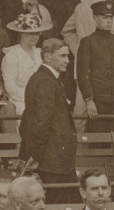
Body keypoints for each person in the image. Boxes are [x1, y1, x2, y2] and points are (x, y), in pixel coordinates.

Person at [20, 39, 78, 198]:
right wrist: (35, 156)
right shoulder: (45, 81)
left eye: (68, 56)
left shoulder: (47, 79)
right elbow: (40, 122)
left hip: (55, 161)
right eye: (62, 56)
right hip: (52, 163)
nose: (67, 60)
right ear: (47, 56)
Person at [76, 0, 114, 134]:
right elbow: (82, 73)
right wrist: (89, 100)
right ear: (95, 18)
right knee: (96, 138)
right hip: (98, 101)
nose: (109, 21)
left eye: (111, 18)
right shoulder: (87, 42)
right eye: (104, 17)